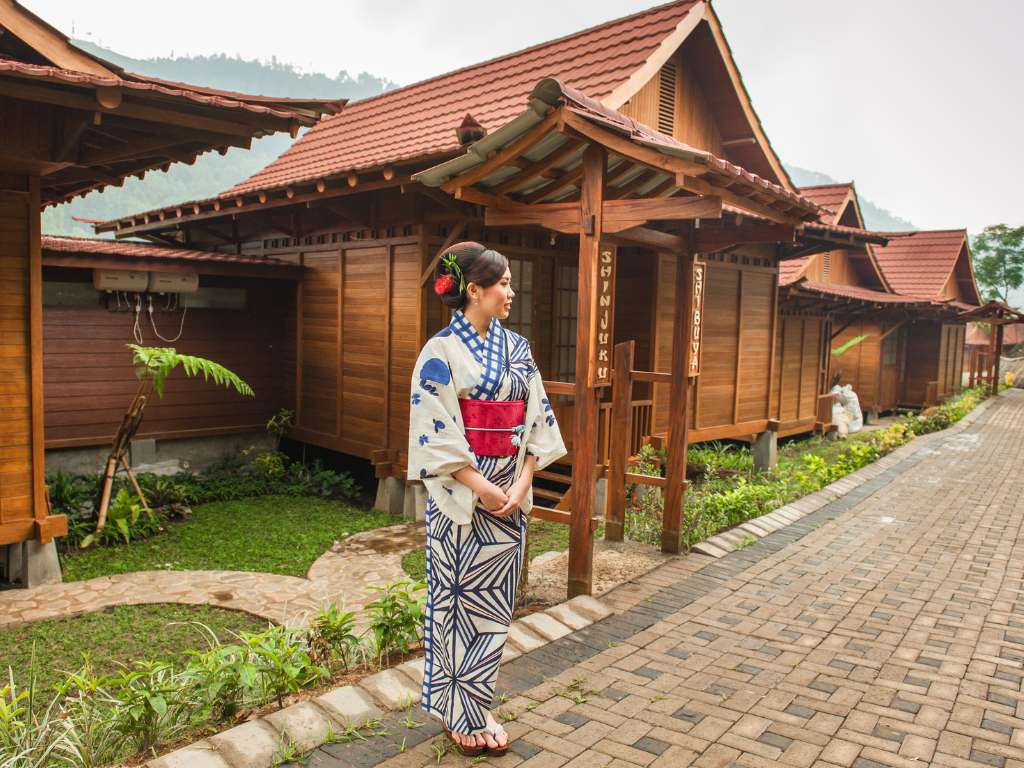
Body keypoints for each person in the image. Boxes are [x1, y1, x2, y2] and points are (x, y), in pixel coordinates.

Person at [407, 241, 566, 755]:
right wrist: (481, 486)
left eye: (510, 283)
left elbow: (535, 418)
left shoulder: (517, 349)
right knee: (455, 606)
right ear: (473, 290)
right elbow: (436, 430)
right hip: (462, 500)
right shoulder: (440, 352)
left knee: (494, 607)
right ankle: (459, 712)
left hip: (508, 498)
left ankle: (477, 703)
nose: (510, 293)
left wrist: (522, 482)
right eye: (502, 284)